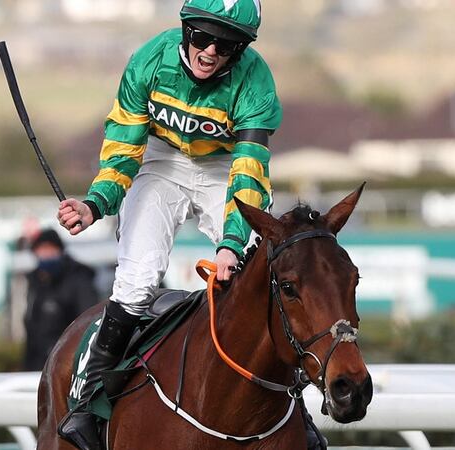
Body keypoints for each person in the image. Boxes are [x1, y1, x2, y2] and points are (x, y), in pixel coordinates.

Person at [56, 1, 285, 448]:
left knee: (263, 271)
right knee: (137, 280)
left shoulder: (256, 80)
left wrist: (232, 245)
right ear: (185, 31)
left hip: (225, 170)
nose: (211, 52)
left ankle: (293, 405)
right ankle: (89, 402)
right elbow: (123, 146)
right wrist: (95, 204)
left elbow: (249, 173)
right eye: (202, 37)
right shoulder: (148, 61)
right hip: (162, 163)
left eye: (228, 45)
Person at [23, 228, 98, 371]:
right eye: (41, 249)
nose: (46, 254)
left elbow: (89, 324)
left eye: (50, 249)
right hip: (37, 365)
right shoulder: (35, 283)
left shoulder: (79, 279)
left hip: (67, 366)